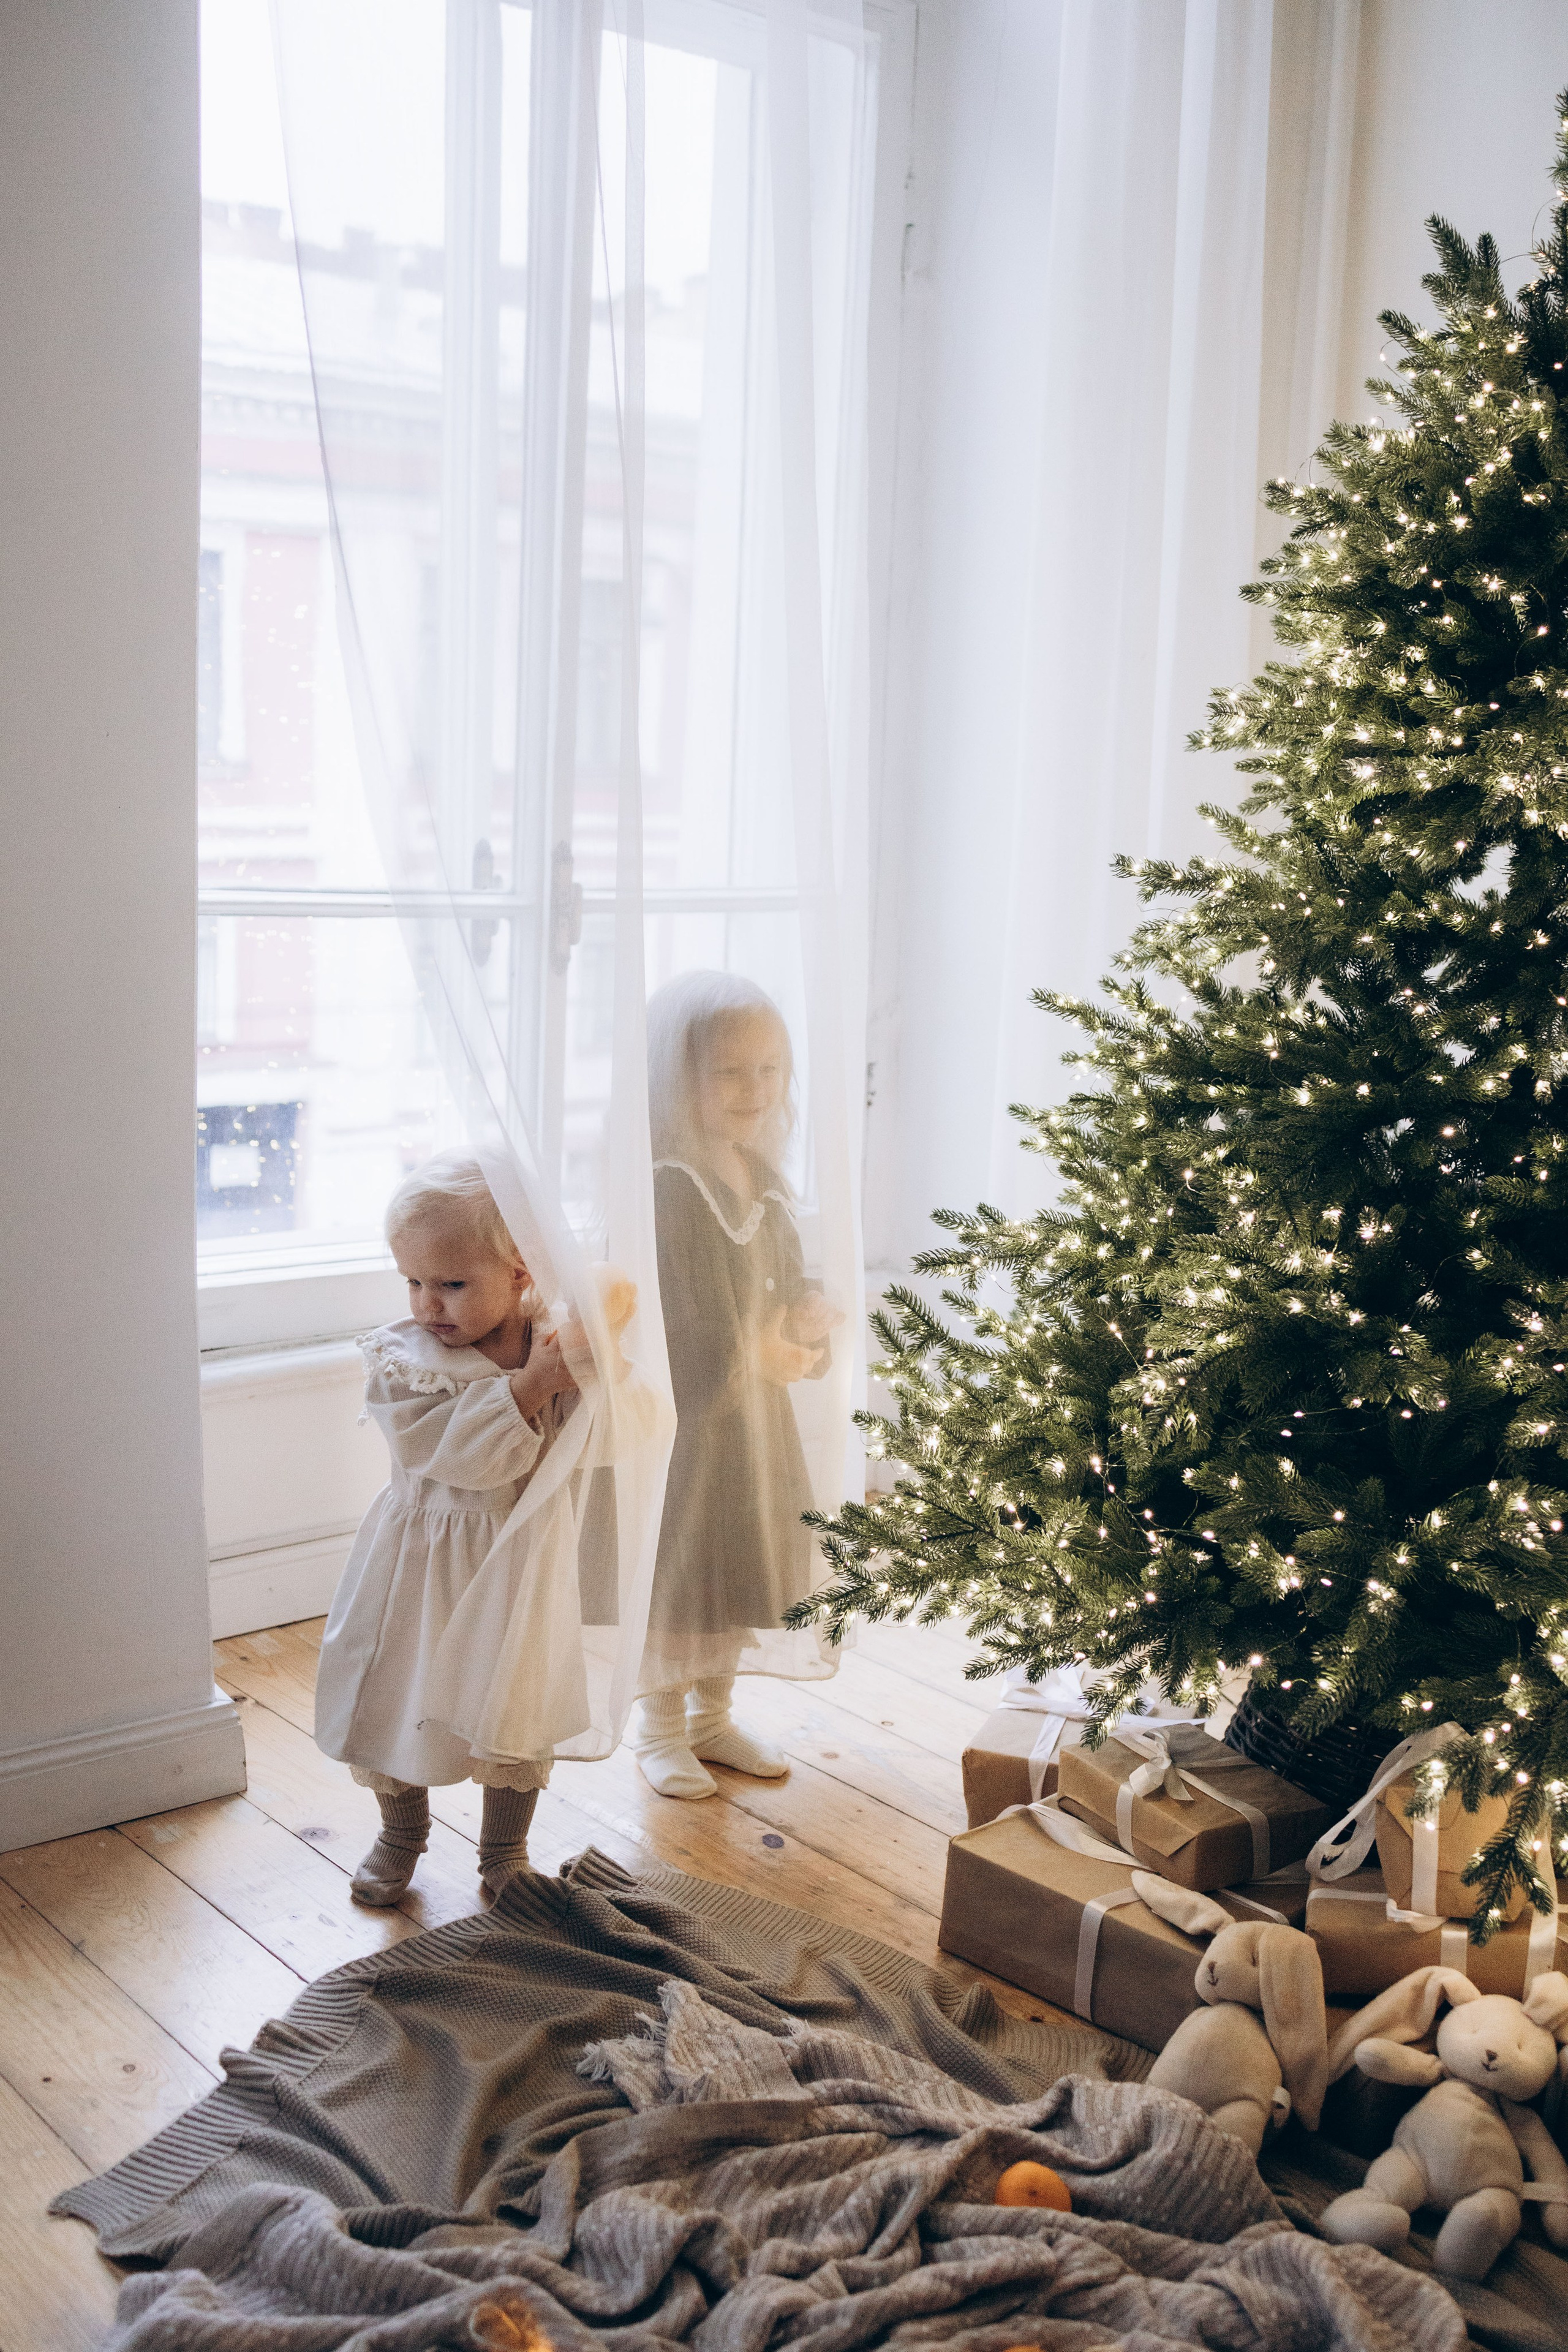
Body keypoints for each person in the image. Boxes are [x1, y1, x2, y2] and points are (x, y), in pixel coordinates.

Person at [314, 1152, 633, 1903]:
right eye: (413, 1282)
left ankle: (503, 1851)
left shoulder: (551, 1342)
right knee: (398, 1689)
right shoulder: (403, 1360)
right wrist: (534, 1385)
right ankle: (402, 1832)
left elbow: (601, 1442)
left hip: (519, 1555)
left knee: (513, 1696)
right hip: (421, 1556)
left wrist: (597, 1366)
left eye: (452, 1284)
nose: (428, 1303)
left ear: (520, 1272)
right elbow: (456, 1458)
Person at [630, 971, 840, 1798]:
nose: (755, 1089)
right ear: (676, 1081)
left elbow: (782, 1277)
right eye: (729, 1072)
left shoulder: (764, 1175)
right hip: (696, 1430)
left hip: (757, 1425)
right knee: (686, 1579)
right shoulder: (670, 1187)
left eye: (769, 1069)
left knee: (741, 1570)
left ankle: (712, 1718)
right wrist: (748, 1354)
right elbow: (675, 1320)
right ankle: (659, 1727)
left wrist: (805, 1317)